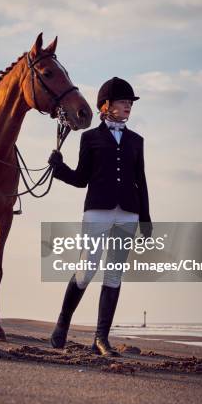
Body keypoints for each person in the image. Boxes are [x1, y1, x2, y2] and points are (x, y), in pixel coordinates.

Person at [48, 77, 152, 356]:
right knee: (86, 271)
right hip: (96, 211)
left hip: (128, 214)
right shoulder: (89, 138)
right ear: (105, 106)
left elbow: (140, 180)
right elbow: (82, 179)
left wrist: (146, 218)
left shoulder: (136, 141)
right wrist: (59, 169)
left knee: (114, 275)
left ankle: (100, 339)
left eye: (130, 102)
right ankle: (62, 324)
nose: (128, 105)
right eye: (123, 101)